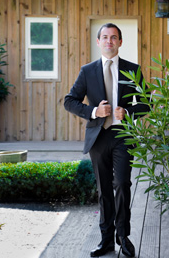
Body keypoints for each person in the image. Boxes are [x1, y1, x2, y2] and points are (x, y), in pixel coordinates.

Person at [64, 23, 149, 257]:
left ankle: (123, 235)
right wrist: (94, 112)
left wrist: (129, 113)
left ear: (120, 42)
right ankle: (106, 241)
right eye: (105, 37)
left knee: (122, 184)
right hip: (98, 137)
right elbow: (69, 100)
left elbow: (146, 103)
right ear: (98, 41)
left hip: (123, 135)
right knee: (104, 190)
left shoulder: (133, 69)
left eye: (113, 37)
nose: (109, 41)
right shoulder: (87, 71)